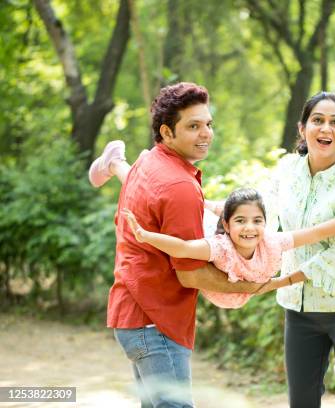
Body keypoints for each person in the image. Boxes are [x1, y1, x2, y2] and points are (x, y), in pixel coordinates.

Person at [94, 82, 281, 408]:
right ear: (167, 133)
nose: (205, 134)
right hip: (156, 323)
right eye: (193, 126)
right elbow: (190, 275)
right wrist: (248, 285)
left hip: (132, 316)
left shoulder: (148, 163)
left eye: (208, 124)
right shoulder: (179, 185)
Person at [264, 91, 335, 407]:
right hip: (299, 310)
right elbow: (262, 214)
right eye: (317, 120)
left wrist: (280, 281)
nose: (326, 129)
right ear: (302, 128)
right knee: (301, 401)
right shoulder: (287, 170)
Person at [121, 187, 335, 309]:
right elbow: (181, 248)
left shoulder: (272, 242)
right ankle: (122, 167)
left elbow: (318, 231)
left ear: (266, 224)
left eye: (257, 221)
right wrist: (145, 235)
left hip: (238, 285)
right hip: (206, 230)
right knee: (174, 203)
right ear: (228, 226)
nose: (250, 228)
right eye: (241, 222)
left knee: (212, 205)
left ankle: (218, 206)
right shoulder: (220, 247)